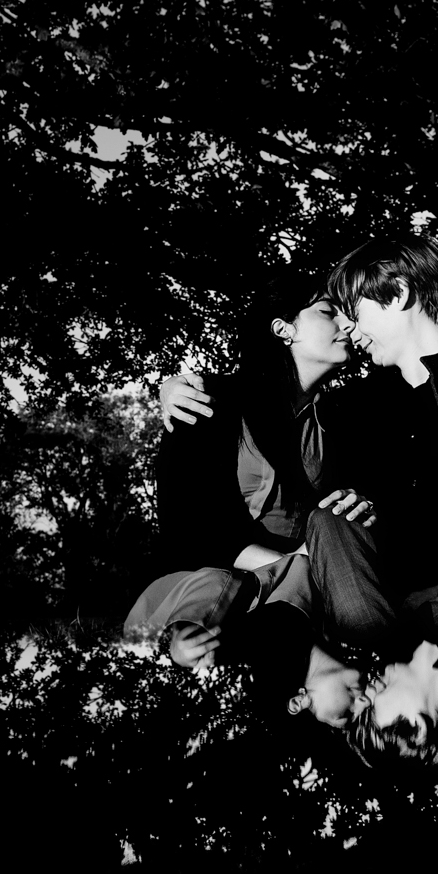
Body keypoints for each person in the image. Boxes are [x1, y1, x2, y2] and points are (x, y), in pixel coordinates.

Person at [160, 234, 438, 761]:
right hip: (380, 602)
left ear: (395, 294)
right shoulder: (353, 407)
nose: (349, 327)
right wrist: (182, 390)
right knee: (330, 524)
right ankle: (423, 639)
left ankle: (427, 637)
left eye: (354, 311)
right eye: (338, 313)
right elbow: (313, 502)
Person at [125, 268, 375, 727]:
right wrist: (297, 562)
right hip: (221, 578)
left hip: (308, 588)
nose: (348, 325)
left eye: (349, 315)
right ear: (283, 328)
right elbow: (186, 526)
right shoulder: (212, 402)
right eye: (327, 311)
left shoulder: (346, 421)